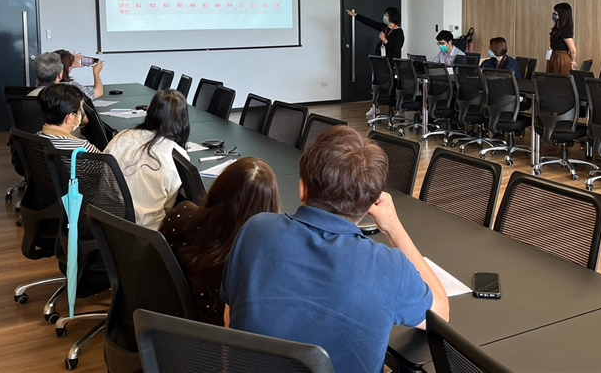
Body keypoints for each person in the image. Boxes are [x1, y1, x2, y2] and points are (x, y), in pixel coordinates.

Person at [221, 126, 449, 373]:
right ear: (369, 206)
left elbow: (230, 323)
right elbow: (440, 315)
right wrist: (393, 225)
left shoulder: (254, 230)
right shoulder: (390, 268)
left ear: (302, 189)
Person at [160, 157, 281, 325]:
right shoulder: (250, 265)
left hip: (163, 320)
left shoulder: (180, 216)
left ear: (218, 188)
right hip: (210, 336)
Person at [104, 90, 190, 229]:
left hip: (108, 223)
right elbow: (169, 206)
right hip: (149, 233)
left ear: (148, 110)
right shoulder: (176, 155)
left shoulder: (121, 136)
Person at [36, 83, 100, 152]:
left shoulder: (34, 139)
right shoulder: (82, 147)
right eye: (80, 110)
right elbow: (105, 159)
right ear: (70, 118)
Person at [546, 2, 577, 74]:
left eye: (556, 13)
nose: (554, 15)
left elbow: (573, 50)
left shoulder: (565, 30)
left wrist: (572, 61)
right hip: (554, 55)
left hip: (561, 58)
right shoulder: (557, 28)